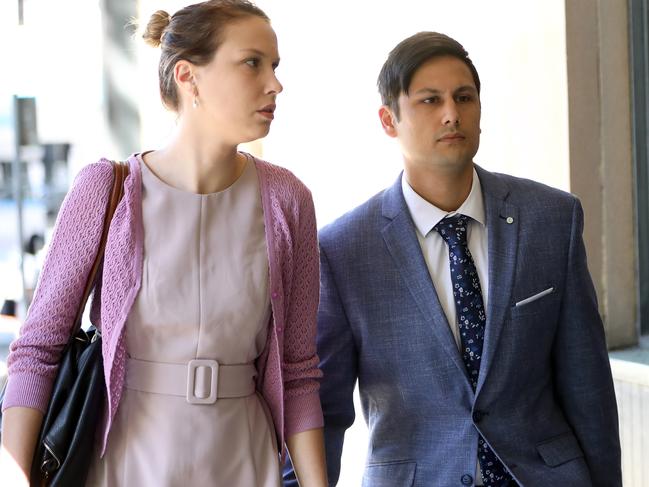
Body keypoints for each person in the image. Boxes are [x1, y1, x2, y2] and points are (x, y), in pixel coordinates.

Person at [0, 1, 328, 486]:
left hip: (244, 460)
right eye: (252, 62)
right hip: (128, 459)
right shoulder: (106, 190)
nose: (274, 84)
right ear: (188, 76)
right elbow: (38, 349)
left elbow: (298, 371)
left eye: (275, 66)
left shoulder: (288, 200)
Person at [285, 32, 621, 487]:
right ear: (389, 120)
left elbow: (589, 386)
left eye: (464, 98)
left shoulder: (551, 219)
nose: (451, 114)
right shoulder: (343, 249)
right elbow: (323, 407)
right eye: (429, 101)